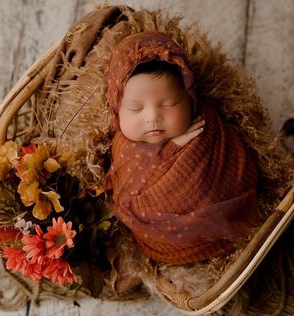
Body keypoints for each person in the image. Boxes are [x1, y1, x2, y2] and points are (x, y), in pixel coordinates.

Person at [105, 32, 259, 264]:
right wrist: (173, 147)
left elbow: (232, 166)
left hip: (223, 208)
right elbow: (128, 194)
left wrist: (180, 145)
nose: (153, 118)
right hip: (160, 238)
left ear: (189, 98)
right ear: (117, 111)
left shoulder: (205, 125)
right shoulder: (124, 146)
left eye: (170, 104)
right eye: (136, 109)